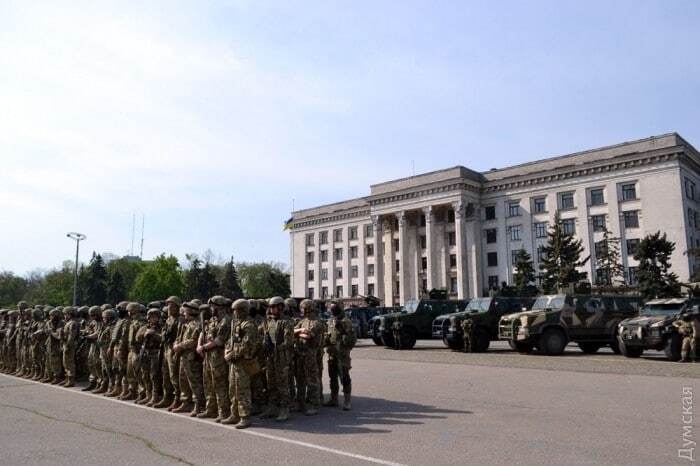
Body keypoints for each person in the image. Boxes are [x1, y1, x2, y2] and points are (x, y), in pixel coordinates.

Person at [222, 299, 259, 429]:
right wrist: (227, 350)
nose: (234, 312)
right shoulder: (237, 323)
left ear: (243, 310)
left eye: (236, 310)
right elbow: (230, 341)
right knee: (233, 388)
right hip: (234, 362)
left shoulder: (249, 325)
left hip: (243, 362)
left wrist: (231, 354)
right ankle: (234, 414)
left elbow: (246, 345)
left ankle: (245, 416)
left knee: (242, 389)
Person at [260, 296, 295, 422]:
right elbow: (263, 334)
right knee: (271, 383)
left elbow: (289, 341)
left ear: (280, 307)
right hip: (270, 358)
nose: (270, 309)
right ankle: (272, 407)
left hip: (281, 358)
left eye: (273, 307)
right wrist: (265, 343)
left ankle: (284, 408)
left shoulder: (287, 322)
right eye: (269, 307)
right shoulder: (269, 321)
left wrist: (276, 346)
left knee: (282, 384)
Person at [198, 296, 232, 422]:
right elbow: (204, 333)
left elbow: (219, 340)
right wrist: (200, 346)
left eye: (213, 306)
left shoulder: (226, 321)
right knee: (208, 383)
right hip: (208, 356)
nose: (211, 309)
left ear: (219, 307)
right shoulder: (212, 320)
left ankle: (223, 411)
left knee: (219, 384)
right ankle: (210, 409)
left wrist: (202, 347)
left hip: (218, 357)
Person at [173, 301, 205, 417]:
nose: (183, 313)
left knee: (194, 381)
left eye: (185, 311)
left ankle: (198, 404)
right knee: (183, 380)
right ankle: (185, 401)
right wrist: (176, 343)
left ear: (191, 312)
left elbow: (193, 340)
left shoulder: (197, 324)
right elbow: (179, 337)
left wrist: (180, 346)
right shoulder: (186, 324)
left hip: (191, 358)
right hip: (184, 357)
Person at [293, 299, 324, 415]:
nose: (301, 310)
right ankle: (300, 404)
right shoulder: (303, 321)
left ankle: (314, 405)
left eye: (303, 308)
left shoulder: (317, 322)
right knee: (300, 380)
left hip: (311, 354)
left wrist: (298, 333)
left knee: (312, 380)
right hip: (301, 353)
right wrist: (300, 330)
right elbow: (291, 331)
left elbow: (308, 335)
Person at [324, 299, 355, 410]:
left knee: (344, 377)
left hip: (342, 354)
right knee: (332, 377)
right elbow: (328, 336)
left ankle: (347, 401)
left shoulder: (346, 321)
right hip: (332, 353)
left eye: (334, 308)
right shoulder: (330, 321)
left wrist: (341, 328)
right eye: (331, 308)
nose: (332, 310)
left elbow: (350, 341)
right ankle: (334, 399)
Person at [155, 296, 182, 410]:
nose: (169, 308)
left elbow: (180, 336)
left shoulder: (180, 320)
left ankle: (177, 399)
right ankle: (167, 397)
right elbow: (163, 336)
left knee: (173, 376)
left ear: (176, 307)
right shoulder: (168, 320)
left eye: (171, 306)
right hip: (166, 348)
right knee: (165, 374)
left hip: (173, 349)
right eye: (168, 306)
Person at [136, 308, 164, 406]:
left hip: (155, 353)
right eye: (151, 317)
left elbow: (163, 338)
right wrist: (145, 333)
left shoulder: (161, 328)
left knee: (154, 376)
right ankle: (148, 394)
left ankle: (155, 396)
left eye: (155, 317)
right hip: (145, 353)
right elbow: (137, 338)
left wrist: (154, 334)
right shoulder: (145, 327)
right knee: (145, 375)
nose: (153, 319)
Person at [81, 306, 103, 391]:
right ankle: (92, 382)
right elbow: (88, 330)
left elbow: (98, 333)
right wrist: (84, 333)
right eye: (91, 315)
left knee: (98, 364)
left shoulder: (102, 322)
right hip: (92, 345)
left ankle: (100, 383)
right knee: (90, 363)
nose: (92, 317)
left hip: (99, 346)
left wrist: (89, 336)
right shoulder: (93, 322)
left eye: (94, 315)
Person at [97, 309, 117, 394]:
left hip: (108, 351)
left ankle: (111, 387)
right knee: (104, 370)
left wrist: (110, 348)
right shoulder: (106, 326)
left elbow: (113, 339)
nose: (103, 319)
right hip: (103, 351)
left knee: (109, 371)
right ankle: (104, 386)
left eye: (105, 318)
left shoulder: (112, 327)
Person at [61, 306, 81, 387]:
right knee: (65, 362)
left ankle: (71, 380)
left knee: (69, 362)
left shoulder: (73, 323)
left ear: (70, 314)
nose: (65, 316)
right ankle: (67, 378)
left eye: (66, 314)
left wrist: (68, 346)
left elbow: (71, 336)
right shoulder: (68, 322)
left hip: (70, 345)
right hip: (66, 344)